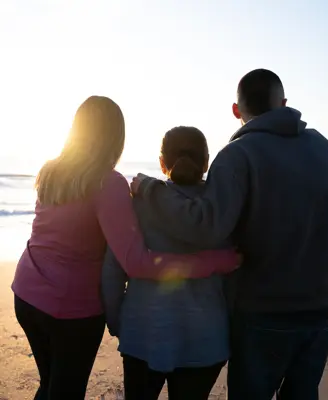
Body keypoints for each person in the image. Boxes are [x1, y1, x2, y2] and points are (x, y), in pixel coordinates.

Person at [130, 69, 328, 400]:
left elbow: (205, 226)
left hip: (261, 313)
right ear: (283, 103)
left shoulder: (238, 156)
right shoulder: (325, 149)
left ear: (237, 110)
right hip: (319, 309)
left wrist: (150, 189)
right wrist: (326, 282)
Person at [11, 96, 238, 400]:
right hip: (69, 309)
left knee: (49, 382)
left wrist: (119, 318)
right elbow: (135, 263)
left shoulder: (51, 170)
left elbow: (105, 262)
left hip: (27, 293)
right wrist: (212, 262)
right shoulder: (108, 183)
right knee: (65, 390)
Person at [102, 126, 234, 400]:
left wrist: (117, 322)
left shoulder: (137, 205)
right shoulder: (221, 208)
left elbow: (113, 271)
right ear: (207, 162)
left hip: (142, 333)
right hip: (206, 340)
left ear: (162, 163)